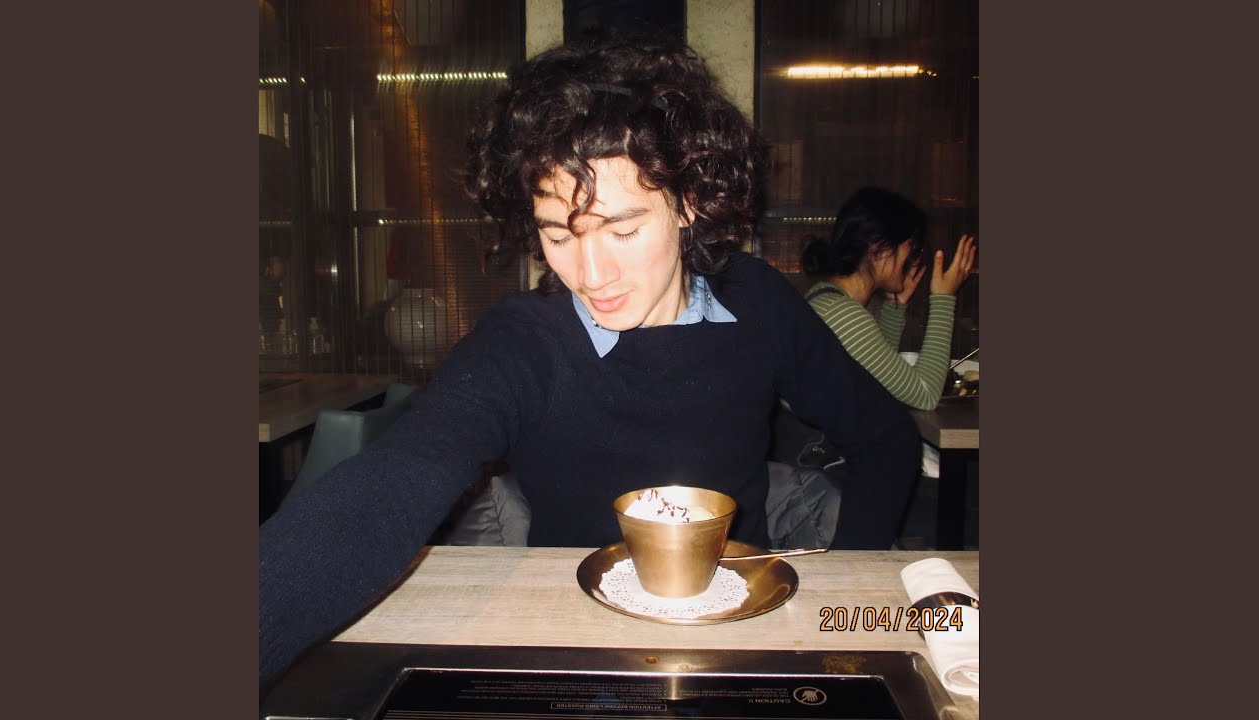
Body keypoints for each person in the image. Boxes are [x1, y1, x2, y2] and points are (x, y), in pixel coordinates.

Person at [260, 40, 919, 685]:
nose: (592, 274)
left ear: (688, 201)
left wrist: (844, 589)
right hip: (570, 647)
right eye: (558, 234)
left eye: (623, 229)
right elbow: (398, 478)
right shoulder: (526, 341)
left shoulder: (758, 302)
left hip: (739, 643)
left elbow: (884, 436)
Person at [800, 187, 977, 411]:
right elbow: (926, 394)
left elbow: (878, 379)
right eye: (911, 247)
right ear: (880, 250)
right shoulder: (840, 313)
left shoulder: (827, 298)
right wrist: (944, 298)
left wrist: (896, 306)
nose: (913, 258)